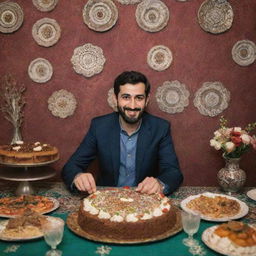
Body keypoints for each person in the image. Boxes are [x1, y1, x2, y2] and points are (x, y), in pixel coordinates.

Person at [62, 71, 183, 195]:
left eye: (139, 98)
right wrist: (78, 176)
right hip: (106, 200)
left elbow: (173, 172)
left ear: (147, 100)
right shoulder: (99, 127)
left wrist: (159, 184)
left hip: (145, 199)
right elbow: (71, 167)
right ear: (115, 99)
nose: (132, 105)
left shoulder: (161, 128)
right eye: (126, 97)